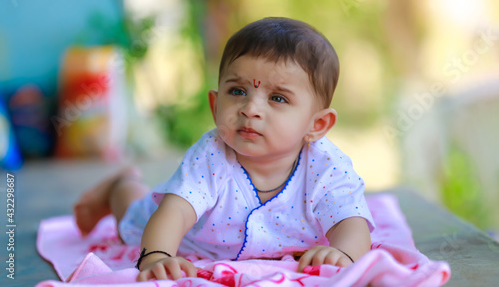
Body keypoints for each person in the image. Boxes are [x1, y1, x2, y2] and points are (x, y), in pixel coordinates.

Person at [74, 17, 375, 282]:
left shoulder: (327, 166)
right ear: (215, 105)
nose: (250, 108)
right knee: (131, 219)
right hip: (191, 242)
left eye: (278, 98)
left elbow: (351, 221)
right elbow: (175, 212)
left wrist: (344, 255)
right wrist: (156, 256)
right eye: (238, 91)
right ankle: (122, 186)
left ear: (317, 124)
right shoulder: (212, 155)